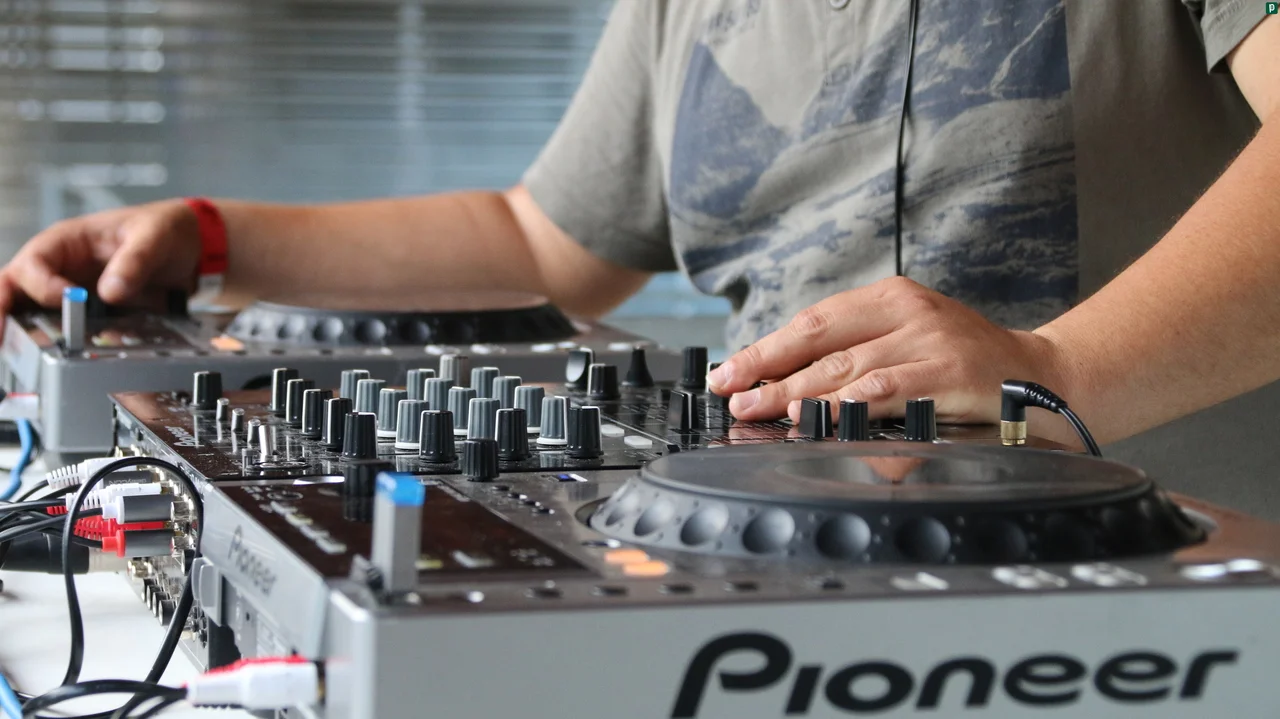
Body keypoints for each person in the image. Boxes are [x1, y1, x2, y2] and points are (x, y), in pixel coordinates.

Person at [0, 1, 1276, 450]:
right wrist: (209, 238)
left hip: (1153, 603)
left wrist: (1055, 372)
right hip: (772, 582)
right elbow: (545, 243)